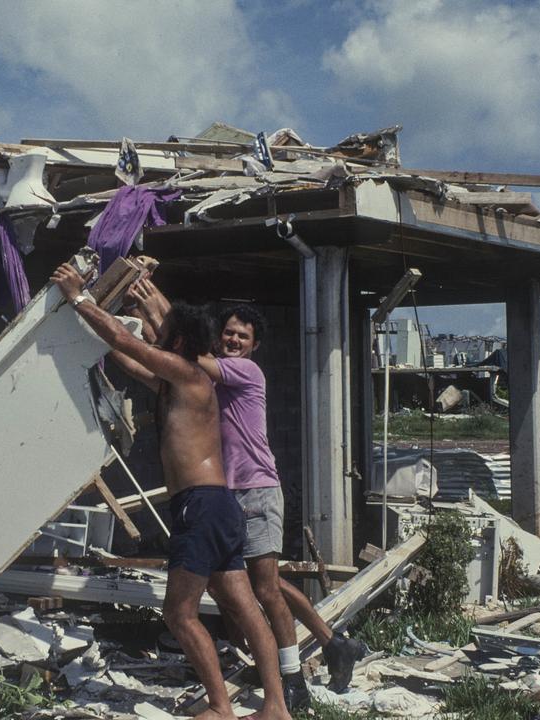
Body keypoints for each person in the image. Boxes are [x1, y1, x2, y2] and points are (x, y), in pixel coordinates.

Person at [51, 263, 290, 720]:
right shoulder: (174, 382)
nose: (156, 339)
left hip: (200, 508)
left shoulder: (187, 373)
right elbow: (124, 353)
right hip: (217, 505)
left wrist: (79, 297)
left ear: (178, 343)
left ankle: (221, 708)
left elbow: (129, 342)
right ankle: (275, 708)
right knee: (244, 606)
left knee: (179, 614)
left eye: (165, 336)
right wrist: (97, 320)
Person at [128, 280, 367, 701]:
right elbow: (165, 358)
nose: (234, 339)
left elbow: (180, 346)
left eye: (243, 335)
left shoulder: (242, 371)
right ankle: (331, 644)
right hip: (224, 497)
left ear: (254, 346)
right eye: (229, 333)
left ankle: (292, 681)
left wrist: (153, 304)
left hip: (254, 490)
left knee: (265, 588)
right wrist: (128, 333)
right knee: (257, 585)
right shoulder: (205, 378)